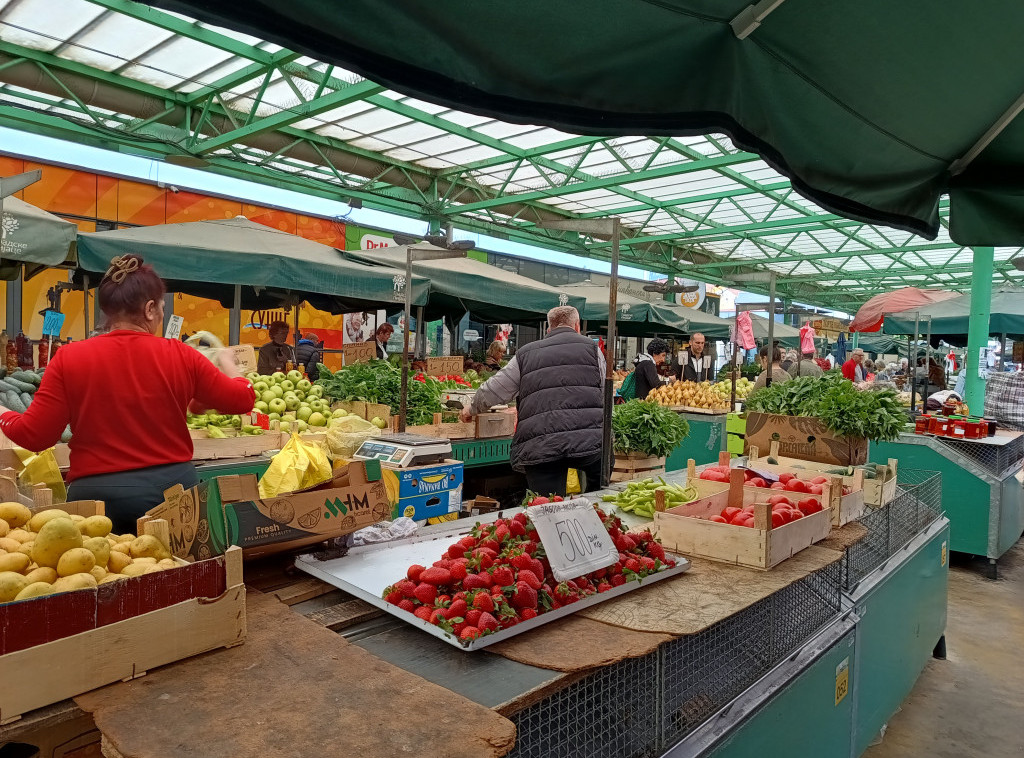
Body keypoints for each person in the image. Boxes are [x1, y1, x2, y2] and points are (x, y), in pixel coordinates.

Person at [0, 254, 254, 533]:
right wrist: (228, 361)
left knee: (99, 574)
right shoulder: (181, 355)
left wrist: (3, 413)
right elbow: (242, 399)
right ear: (149, 309)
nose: (160, 314)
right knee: (182, 573)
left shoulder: (69, 357)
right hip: (173, 494)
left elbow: (35, 435)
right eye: (160, 307)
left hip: (97, 499)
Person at [460, 306, 604, 495]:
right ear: (577, 326)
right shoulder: (593, 349)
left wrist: (471, 409)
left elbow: (497, 388)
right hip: (589, 441)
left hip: (541, 443)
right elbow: (604, 388)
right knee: (601, 493)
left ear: (548, 329)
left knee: (547, 507)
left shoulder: (525, 354)